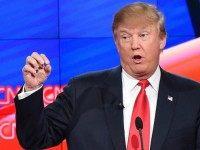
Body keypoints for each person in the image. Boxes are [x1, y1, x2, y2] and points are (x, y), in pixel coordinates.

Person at [14, 2, 200, 150]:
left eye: (143, 35)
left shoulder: (193, 96)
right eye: (126, 37)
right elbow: (35, 139)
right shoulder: (82, 91)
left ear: (162, 40)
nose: (135, 45)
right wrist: (31, 89)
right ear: (116, 42)